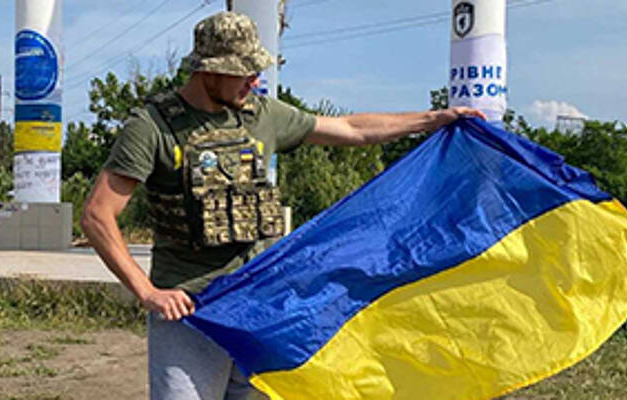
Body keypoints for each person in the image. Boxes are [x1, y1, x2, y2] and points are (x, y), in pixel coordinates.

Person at [81, 11, 486, 400]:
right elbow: (98, 215)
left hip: (260, 307)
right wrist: (147, 292)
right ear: (209, 70)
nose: (255, 80)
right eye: (244, 71)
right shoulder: (152, 127)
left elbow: (351, 129)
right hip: (190, 312)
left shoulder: (260, 115)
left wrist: (433, 120)